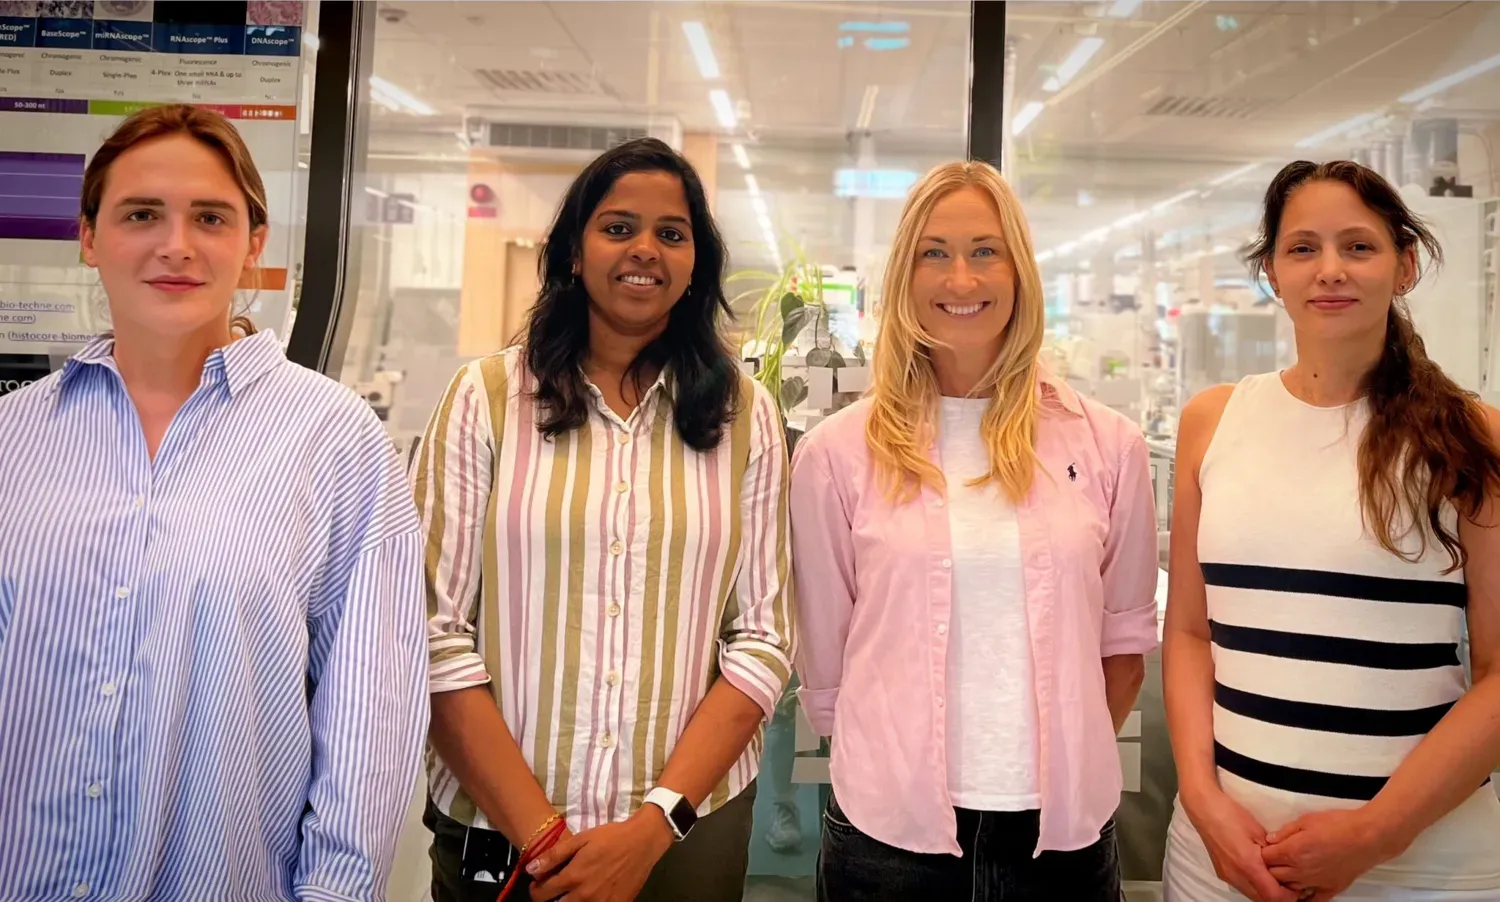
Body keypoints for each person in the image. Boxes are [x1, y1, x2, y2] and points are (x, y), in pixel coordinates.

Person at [0, 104, 428, 899]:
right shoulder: (11, 438)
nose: (176, 245)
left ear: (253, 245)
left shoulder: (332, 440)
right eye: (140, 214)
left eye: (209, 216)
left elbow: (370, 712)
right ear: (89, 238)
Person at [413, 137, 794, 902]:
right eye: (618, 227)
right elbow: (429, 632)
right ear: (575, 252)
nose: (644, 249)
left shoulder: (745, 414)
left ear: (695, 265)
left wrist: (653, 826)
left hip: (685, 839)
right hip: (503, 835)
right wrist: (547, 842)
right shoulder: (486, 399)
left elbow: (762, 639)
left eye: (671, 233)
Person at [790, 159, 1160, 901]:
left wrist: (1048, 757)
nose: (961, 280)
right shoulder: (836, 454)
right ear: (905, 276)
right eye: (935, 253)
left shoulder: (1108, 445)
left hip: (1060, 844)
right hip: (888, 842)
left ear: (1019, 270)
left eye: (984, 251)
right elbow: (825, 667)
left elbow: (1123, 649)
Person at [1162, 160, 1500, 902]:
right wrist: (1202, 799)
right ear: (1273, 273)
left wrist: (1378, 833)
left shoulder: (1472, 437)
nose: (1330, 270)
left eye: (1359, 246)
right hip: (1224, 859)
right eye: (1303, 248)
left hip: (1418, 867)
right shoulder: (1214, 423)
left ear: (1405, 265)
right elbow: (1189, 633)